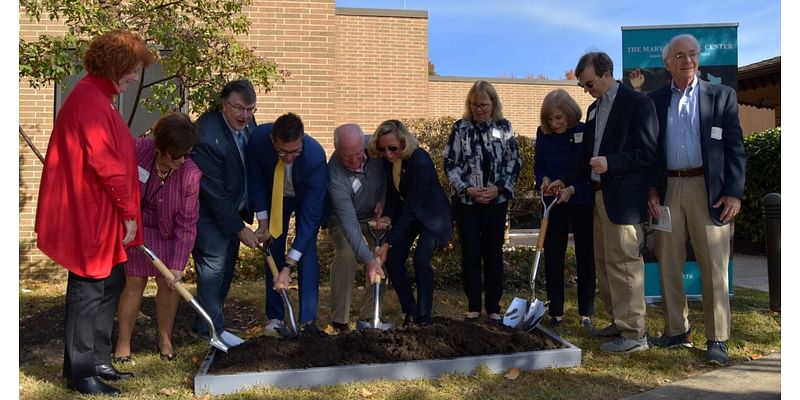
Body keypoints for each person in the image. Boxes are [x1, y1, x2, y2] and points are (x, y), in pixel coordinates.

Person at [34, 29, 154, 396]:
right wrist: (130, 213)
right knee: (87, 291)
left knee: (109, 284)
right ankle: (80, 371)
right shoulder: (89, 100)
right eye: (132, 69)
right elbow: (106, 165)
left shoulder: (100, 99)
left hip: (106, 216)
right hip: (91, 215)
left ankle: (99, 359)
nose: (135, 77)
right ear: (115, 66)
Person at [647, 34, 747, 366]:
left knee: (714, 266)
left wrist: (734, 192)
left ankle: (717, 338)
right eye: (679, 55)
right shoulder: (655, 99)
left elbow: (735, 148)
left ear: (698, 59)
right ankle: (677, 330)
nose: (687, 60)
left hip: (710, 189)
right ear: (667, 63)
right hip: (669, 189)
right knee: (669, 262)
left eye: (692, 54)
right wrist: (651, 189)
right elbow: (650, 152)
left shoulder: (721, 96)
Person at [550, 52, 658, 353]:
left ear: (607, 72)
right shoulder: (594, 109)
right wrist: (569, 183)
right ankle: (618, 321)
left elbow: (648, 153)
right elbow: (586, 158)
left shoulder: (638, 103)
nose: (587, 90)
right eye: (584, 86)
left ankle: (635, 334)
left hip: (623, 198)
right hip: (596, 197)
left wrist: (611, 163)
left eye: (589, 83)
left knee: (625, 264)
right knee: (605, 264)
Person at [113, 112, 201, 364]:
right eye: (176, 155)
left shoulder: (190, 174)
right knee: (134, 281)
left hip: (169, 232)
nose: (182, 160)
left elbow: (187, 222)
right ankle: (123, 343)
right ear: (160, 148)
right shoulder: (137, 150)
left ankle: (165, 339)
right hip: (137, 228)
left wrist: (177, 264)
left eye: (187, 154)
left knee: (168, 283)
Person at [444, 81, 521, 323]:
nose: (479, 110)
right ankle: (474, 305)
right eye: (474, 105)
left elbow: (514, 162)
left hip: (496, 201)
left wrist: (498, 188)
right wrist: (467, 189)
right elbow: (450, 163)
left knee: (493, 254)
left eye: (484, 105)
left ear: (493, 104)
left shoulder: (504, 128)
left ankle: (494, 306)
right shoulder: (460, 128)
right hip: (467, 202)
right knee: (470, 254)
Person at [247, 112, 328, 335]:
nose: (289, 157)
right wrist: (263, 223)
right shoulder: (258, 140)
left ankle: (308, 320)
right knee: (272, 245)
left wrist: (288, 267)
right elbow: (255, 180)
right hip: (276, 195)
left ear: (302, 140)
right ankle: (275, 317)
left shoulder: (314, 156)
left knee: (307, 249)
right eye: (283, 151)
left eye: (295, 151)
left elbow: (311, 219)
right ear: (273, 140)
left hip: (304, 198)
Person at [192, 80, 259, 339]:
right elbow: (213, 192)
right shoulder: (207, 136)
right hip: (207, 215)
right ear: (224, 104)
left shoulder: (249, 123)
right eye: (238, 108)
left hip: (234, 212)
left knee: (226, 268)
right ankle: (213, 332)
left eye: (250, 109)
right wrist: (240, 228)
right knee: (213, 270)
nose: (245, 116)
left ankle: (208, 324)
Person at [371, 120, 453, 326]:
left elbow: (412, 207)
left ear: (403, 142)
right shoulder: (388, 160)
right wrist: (388, 214)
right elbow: (392, 192)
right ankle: (410, 311)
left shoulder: (420, 161)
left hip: (433, 217)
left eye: (392, 148)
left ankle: (424, 318)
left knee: (421, 258)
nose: (388, 153)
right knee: (394, 259)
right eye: (382, 149)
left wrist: (388, 242)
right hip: (412, 215)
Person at [535, 89, 595, 329]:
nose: (554, 123)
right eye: (550, 118)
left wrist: (571, 186)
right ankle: (555, 312)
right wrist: (546, 180)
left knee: (585, 256)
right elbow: (539, 164)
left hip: (580, 199)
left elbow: (586, 168)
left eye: (558, 118)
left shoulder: (583, 131)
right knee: (553, 254)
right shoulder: (543, 134)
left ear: (569, 114)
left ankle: (586, 314)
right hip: (553, 203)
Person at [326, 123, 389, 333]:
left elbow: (389, 175)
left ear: (363, 144)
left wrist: (382, 200)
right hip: (344, 219)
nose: (354, 160)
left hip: (373, 216)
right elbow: (349, 223)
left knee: (383, 253)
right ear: (337, 151)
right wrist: (368, 260)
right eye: (346, 156)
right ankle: (339, 321)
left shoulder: (376, 148)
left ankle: (370, 317)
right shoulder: (334, 174)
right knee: (347, 254)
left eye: (357, 153)